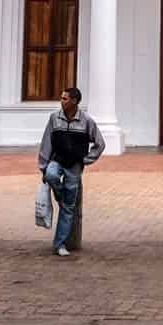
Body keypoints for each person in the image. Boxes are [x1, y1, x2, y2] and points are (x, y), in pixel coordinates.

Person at [36, 86, 104, 256]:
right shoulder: (54, 118)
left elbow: (100, 143)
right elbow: (46, 143)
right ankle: (61, 196)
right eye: (61, 98)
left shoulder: (86, 121)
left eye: (65, 98)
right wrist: (43, 167)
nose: (61, 101)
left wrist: (86, 160)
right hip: (56, 161)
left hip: (74, 167)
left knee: (68, 209)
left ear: (74, 101)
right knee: (52, 176)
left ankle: (60, 245)